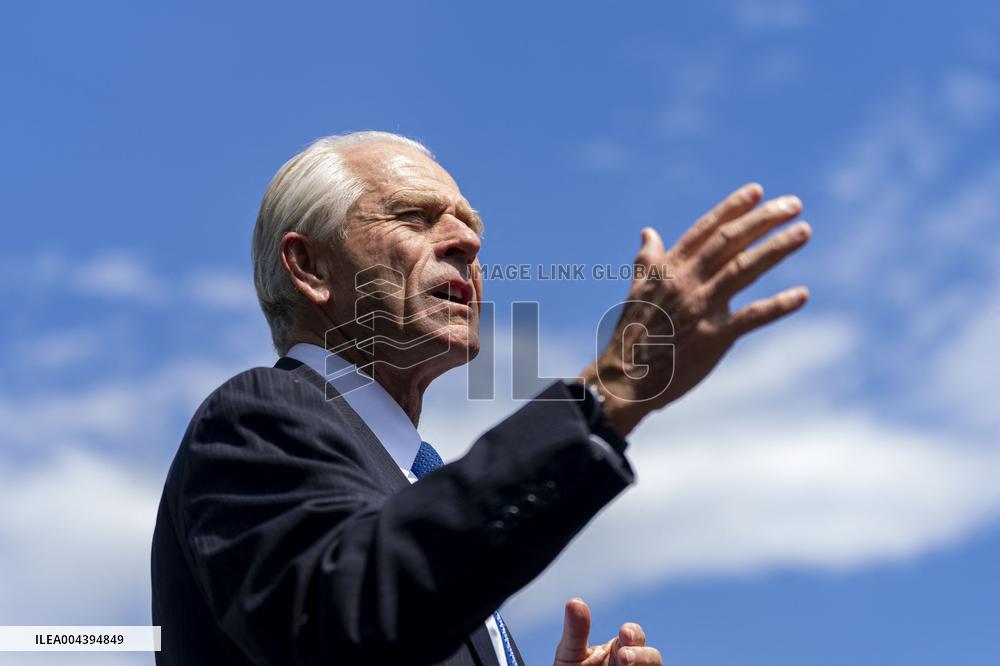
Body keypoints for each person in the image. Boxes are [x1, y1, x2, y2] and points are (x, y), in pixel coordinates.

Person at [151, 131, 810, 665]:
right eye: (414, 216)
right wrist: (612, 388)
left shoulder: (409, 484)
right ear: (311, 268)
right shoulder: (255, 417)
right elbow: (338, 628)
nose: (466, 243)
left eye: (470, 227)